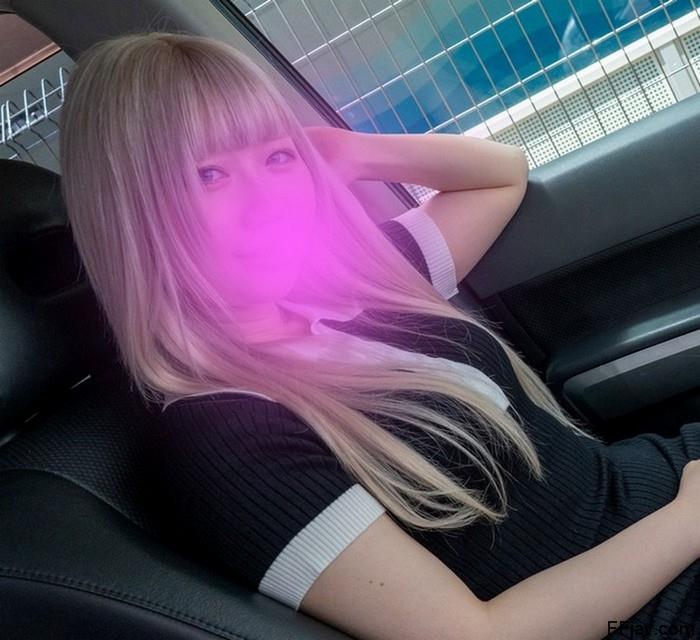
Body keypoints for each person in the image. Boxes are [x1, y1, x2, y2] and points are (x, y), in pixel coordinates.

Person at [58, 30, 700, 640]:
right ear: (128, 210)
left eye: (277, 158)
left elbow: (500, 174)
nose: (269, 202)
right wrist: (687, 521)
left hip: (662, 491)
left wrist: (345, 153)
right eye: (208, 174)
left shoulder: (353, 287)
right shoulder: (225, 436)